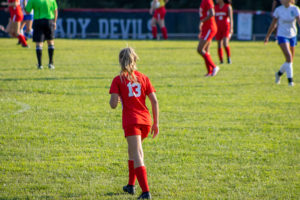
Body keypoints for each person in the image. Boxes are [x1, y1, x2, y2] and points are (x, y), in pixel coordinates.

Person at [109, 47, 159, 199]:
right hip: (146, 121)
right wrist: (156, 123)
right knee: (133, 151)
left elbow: (112, 105)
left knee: (137, 154)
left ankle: (145, 192)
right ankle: (130, 185)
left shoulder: (118, 79)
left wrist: (116, 99)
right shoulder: (144, 77)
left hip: (132, 121)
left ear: (120, 61)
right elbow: (154, 101)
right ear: (135, 60)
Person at [264, 0, 300, 86]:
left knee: (289, 60)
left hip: (292, 36)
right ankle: (290, 81)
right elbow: (273, 24)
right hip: (281, 35)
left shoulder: (295, 9)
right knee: (289, 57)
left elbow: (299, 22)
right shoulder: (278, 10)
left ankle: (278, 74)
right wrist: (267, 36)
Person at [25, 0, 58, 70]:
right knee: (50, 42)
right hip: (49, 21)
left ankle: (40, 65)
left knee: (39, 43)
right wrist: (55, 22)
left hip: (38, 21)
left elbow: (27, 11)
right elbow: (55, 10)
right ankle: (51, 63)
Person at [197, 0, 220, 77]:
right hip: (206, 28)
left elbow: (212, 13)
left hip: (210, 28)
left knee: (200, 49)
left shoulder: (208, 1)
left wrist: (202, 21)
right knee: (206, 50)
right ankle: (209, 72)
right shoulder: (203, 1)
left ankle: (214, 67)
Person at [215, 0, 233, 64]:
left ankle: (228, 58)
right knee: (219, 44)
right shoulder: (215, 7)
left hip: (226, 28)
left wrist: (231, 28)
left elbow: (231, 19)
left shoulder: (228, 7)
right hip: (218, 28)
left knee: (225, 43)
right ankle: (221, 60)